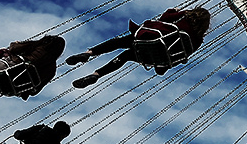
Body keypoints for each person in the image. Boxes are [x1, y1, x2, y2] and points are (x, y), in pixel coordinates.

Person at [67, 7, 212, 88]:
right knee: (126, 56)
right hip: (159, 56)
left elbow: (165, 17)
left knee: (119, 42)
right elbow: (185, 54)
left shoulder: (185, 17)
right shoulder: (198, 39)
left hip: (151, 40)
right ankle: (96, 75)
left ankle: (89, 52)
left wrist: (177, 11)